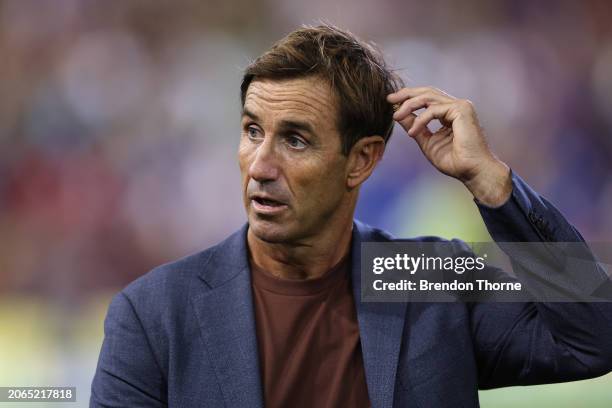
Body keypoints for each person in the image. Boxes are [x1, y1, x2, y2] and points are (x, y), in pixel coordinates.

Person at [90, 24, 612, 408]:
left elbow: (592, 336)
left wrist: (494, 185)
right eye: (252, 131)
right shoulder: (154, 314)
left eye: (294, 140)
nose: (261, 166)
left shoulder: (428, 280)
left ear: (361, 160)